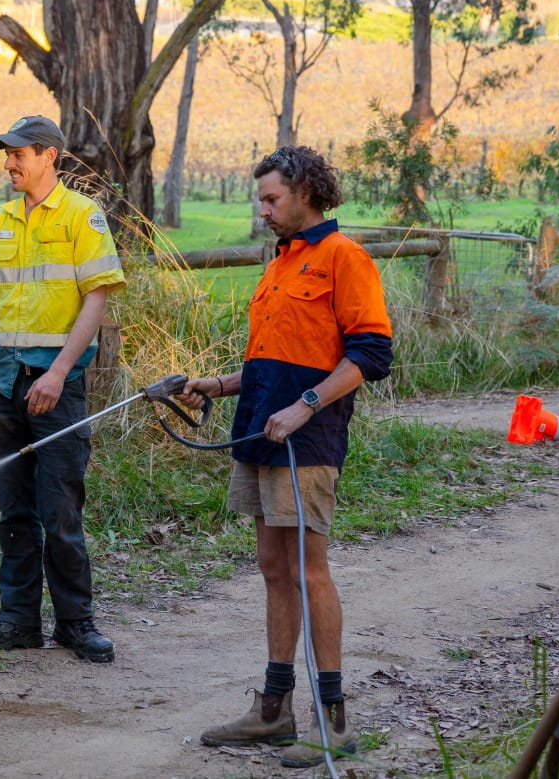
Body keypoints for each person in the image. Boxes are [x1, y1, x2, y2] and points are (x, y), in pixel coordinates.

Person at [181, 146, 392, 766]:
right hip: (258, 433)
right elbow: (270, 362)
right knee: (272, 566)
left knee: (307, 569)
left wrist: (305, 404)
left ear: (305, 192)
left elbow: (370, 356)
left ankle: (335, 723)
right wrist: (216, 385)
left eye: (272, 198)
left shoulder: (343, 258)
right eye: (262, 198)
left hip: (308, 440)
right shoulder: (280, 262)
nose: (263, 209)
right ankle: (274, 711)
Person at [0, 115, 126, 663]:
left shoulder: (82, 216)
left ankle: (77, 624)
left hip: (57, 385)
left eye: (18, 154)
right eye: (5, 154)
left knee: (61, 511)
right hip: (1, 384)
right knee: (13, 513)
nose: (8, 163)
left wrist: (57, 373)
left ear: (49, 156)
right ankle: (18, 621)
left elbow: (97, 299)